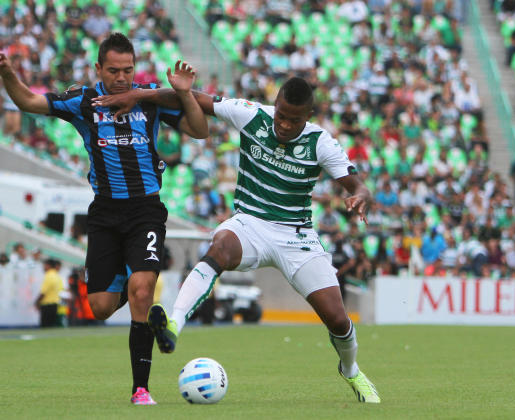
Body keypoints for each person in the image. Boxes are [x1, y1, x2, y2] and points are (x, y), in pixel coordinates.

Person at [95, 77, 380, 403]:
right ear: (275, 107)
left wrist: (360, 196)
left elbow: (358, 185)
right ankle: (173, 325)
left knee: (338, 319)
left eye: (294, 119)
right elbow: (192, 98)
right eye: (281, 115)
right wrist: (138, 94)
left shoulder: (321, 142)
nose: (284, 124)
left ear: (308, 115)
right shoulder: (251, 115)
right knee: (219, 248)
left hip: (295, 234)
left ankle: (351, 369)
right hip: (250, 224)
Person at [0, 32, 208, 405]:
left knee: (143, 292)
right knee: (102, 308)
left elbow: (200, 130)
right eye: (113, 70)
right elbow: (27, 101)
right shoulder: (83, 101)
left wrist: (185, 93)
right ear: (98, 69)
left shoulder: (150, 98)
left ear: (135, 68)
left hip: (145, 210)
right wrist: (8, 73)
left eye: (128, 70)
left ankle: (142, 389)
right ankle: (128, 285)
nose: (122, 78)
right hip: (105, 213)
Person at [35, 259, 64, 328]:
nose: (44, 267)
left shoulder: (48, 276)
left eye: (45, 265)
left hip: (47, 305)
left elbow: (43, 292)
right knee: (51, 327)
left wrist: (37, 302)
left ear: (49, 266)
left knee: (45, 326)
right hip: (55, 304)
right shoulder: (57, 276)